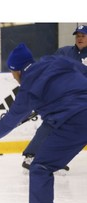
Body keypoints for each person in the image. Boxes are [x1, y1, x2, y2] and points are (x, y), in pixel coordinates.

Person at [0, 43, 87, 203]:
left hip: (74, 122)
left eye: (12, 74)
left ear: (16, 70)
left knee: (41, 167)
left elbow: (11, 119)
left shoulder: (29, 86)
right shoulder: (58, 60)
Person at [21, 25, 87, 174]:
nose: (79, 38)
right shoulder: (64, 52)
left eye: (83, 35)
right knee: (51, 125)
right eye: (78, 35)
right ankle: (31, 156)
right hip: (62, 98)